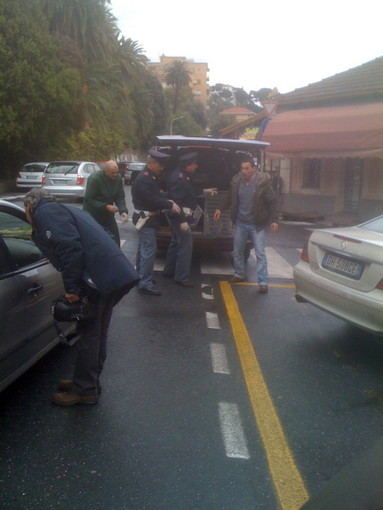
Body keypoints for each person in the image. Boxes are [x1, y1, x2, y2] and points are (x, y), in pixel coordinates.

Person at [24, 188, 139, 406]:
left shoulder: (45, 213)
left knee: (89, 335)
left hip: (97, 280)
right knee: (97, 333)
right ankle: (88, 381)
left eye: (26, 211)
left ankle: (85, 390)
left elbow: (70, 249)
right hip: (112, 275)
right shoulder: (66, 209)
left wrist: (72, 289)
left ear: (29, 206)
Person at [213, 156, 278, 293]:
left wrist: (274, 220)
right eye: (242, 168)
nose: (244, 171)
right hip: (240, 222)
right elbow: (230, 198)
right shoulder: (236, 181)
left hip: (256, 224)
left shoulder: (262, 182)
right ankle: (238, 274)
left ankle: (263, 282)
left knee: (260, 253)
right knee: (237, 251)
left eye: (247, 168)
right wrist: (220, 208)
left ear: (253, 169)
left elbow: (272, 201)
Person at [131, 149, 180, 296]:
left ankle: (140, 277)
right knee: (148, 252)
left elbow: (156, 195)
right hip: (146, 219)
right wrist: (169, 204)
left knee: (143, 249)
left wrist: (166, 199)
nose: (162, 168)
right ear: (151, 163)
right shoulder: (145, 179)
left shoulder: (150, 176)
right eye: (160, 165)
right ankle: (145, 283)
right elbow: (151, 199)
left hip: (147, 218)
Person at [163, 152, 199, 287]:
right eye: (194, 164)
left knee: (175, 242)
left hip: (177, 216)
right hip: (178, 216)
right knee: (185, 245)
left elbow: (188, 193)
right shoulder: (179, 178)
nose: (196, 166)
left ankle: (168, 271)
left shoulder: (182, 175)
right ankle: (181, 278)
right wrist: (182, 220)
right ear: (187, 165)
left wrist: (204, 191)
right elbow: (177, 202)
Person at [83, 160, 129, 245]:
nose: (115, 175)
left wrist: (123, 211)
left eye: (116, 172)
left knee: (115, 241)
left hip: (108, 216)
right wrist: (106, 206)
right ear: (105, 170)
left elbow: (119, 197)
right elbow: (89, 199)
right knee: (95, 242)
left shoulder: (118, 178)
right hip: (93, 215)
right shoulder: (95, 178)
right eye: (112, 173)